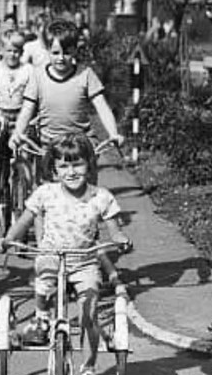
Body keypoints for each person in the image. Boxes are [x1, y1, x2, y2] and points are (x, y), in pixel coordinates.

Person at [0, 134, 132, 375]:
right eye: (63, 166)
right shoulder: (45, 193)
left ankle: (88, 372)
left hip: (84, 261)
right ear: (54, 170)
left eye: (77, 164)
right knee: (44, 281)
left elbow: (115, 231)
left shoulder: (100, 196)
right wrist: (8, 239)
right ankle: (41, 319)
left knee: (89, 314)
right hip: (51, 256)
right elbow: (24, 220)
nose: (71, 172)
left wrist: (120, 240)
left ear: (89, 165)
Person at [11, 21, 127, 291]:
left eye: (67, 52)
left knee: (87, 204)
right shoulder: (38, 76)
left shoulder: (86, 75)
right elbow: (27, 110)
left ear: (76, 50)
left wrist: (114, 132)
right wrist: (18, 133)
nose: (61, 58)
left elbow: (101, 106)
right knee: (46, 205)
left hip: (82, 150)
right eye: (55, 52)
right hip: (50, 151)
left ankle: (86, 261)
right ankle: (46, 262)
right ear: (47, 51)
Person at [0, 31, 35, 207]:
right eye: (9, 51)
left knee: (25, 152)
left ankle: (26, 187)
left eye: (17, 51)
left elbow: (34, 95)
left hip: (21, 116)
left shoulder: (28, 70)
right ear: (1, 51)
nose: (13, 55)